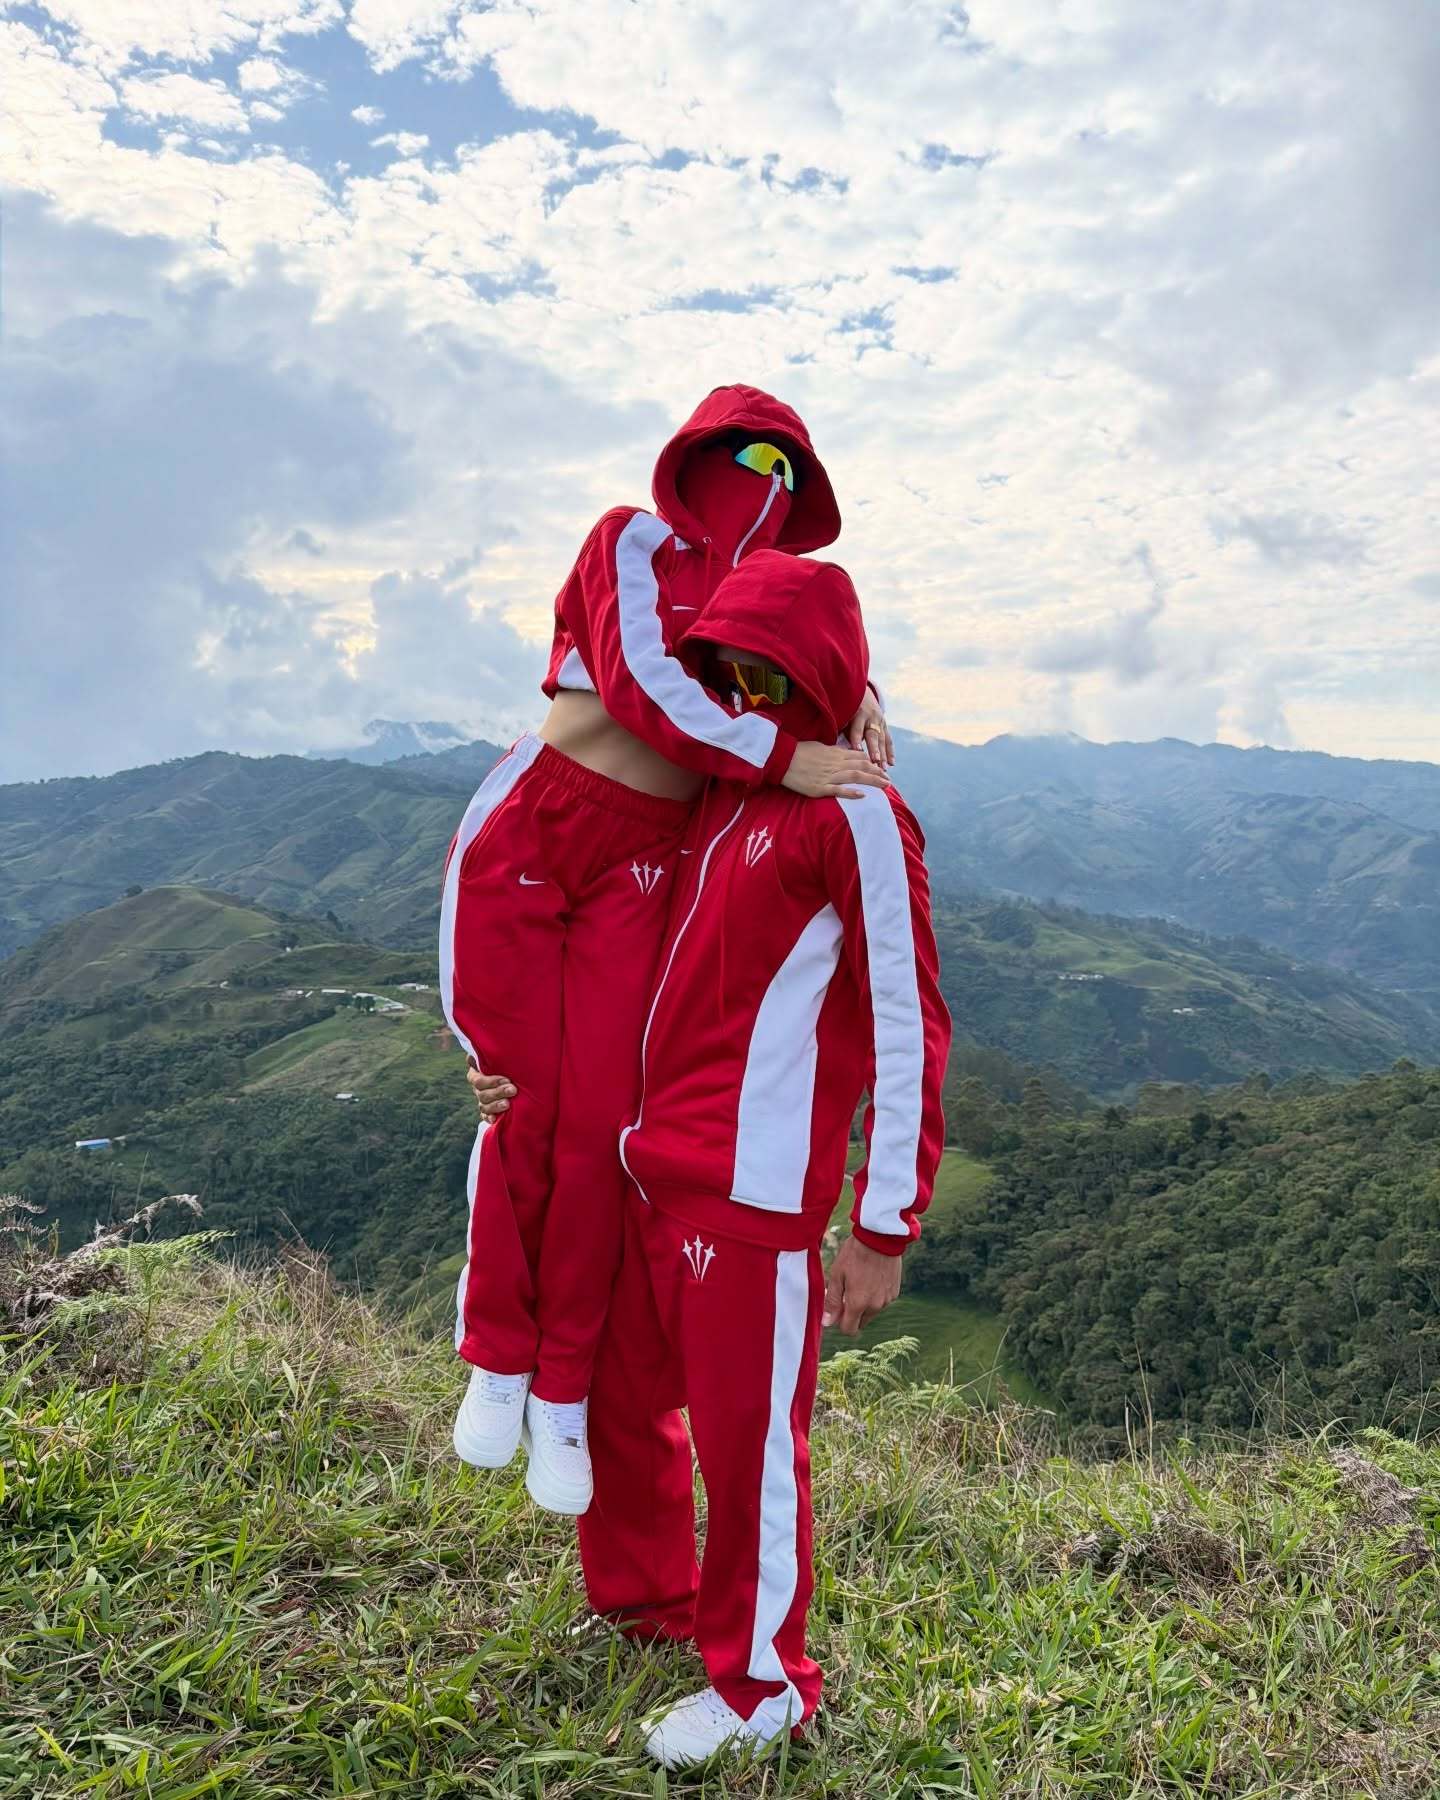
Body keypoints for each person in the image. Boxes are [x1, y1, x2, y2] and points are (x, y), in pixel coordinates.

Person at [470, 548, 951, 1769]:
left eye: (771, 673)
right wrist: (501, 1049)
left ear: (824, 672)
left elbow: (907, 1022)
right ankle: (645, 1603)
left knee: (750, 1453)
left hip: (755, 1201)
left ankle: (764, 1685)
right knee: (624, 1402)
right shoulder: (723, 792)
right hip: (651, 1171)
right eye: (729, 672)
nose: (747, 692)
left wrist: (882, 1223)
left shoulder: (860, 816)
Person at [440, 386, 892, 1516]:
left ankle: (563, 1388)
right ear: (695, 453)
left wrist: (862, 696)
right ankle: (496, 1352)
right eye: (749, 457)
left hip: (650, 855)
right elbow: (640, 682)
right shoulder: (628, 541)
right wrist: (782, 757)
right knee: (520, 1104)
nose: (764, 485)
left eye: (787, 470)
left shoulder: (765, 600)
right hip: (539, 822)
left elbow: (806, 653)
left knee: (601, 1129)